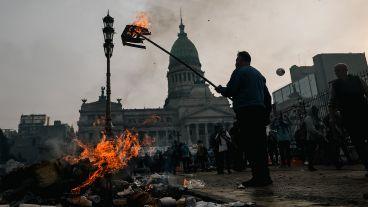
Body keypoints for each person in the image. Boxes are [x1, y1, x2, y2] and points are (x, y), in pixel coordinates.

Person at [216, 51, 272, 187]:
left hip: (246, 112)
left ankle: (257, 178)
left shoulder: (239, 72)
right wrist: (266, 116)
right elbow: (268, 97)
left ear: (242, 60)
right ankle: (265, 177)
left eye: (237, 60)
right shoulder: (259, 75)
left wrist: (220, 89)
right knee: (260, 146)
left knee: (251, 145)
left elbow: (231, 90)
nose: (235, 63)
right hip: (259, 112)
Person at [329, 63, 368, 176]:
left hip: (363, 113)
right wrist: (332, 119)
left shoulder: (357, 79)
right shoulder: (335, 85)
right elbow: (331, 103)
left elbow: (366, 91)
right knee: (358, 143)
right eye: (336, 71)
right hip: (349, 117)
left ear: (345, 70)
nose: (336, 73)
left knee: (360, 142)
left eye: (338, 70)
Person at [304, 106, 325, 171]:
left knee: (313, 152)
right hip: (311, 138)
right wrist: (319, 133)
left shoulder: (314, 118)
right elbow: (311, 129)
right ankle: (310, 166)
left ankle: (312, 165)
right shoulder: (308, 118)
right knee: (311, 153)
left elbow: (320, 125)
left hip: (315, 137)